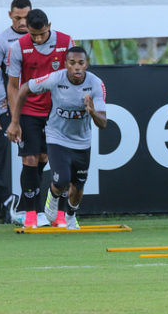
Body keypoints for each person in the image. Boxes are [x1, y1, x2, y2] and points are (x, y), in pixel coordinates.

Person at [8, 46, 106, 229]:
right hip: (57, 137)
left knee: (78, 186)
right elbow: (24, 89)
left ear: (87, 64)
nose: (77, 67)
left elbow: (103, 122)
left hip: (82, 141)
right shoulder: (55, 79)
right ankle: (51, 200)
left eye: (81, 63)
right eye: (72, 63)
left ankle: (70, 216)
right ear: (65, 64)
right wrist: (15, 121)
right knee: (61, 181)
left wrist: (92, 112)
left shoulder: (96, 84)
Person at [6, 9, 75, 228]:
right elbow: (13, 85)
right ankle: (30, 213)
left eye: (41, 34)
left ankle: (56, 214)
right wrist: (14, 120)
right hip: (29, 111)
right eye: (33, 35)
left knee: (48, 159)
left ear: (49, 26)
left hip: (57, 112)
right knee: (30, 160)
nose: (37, 39)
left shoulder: (66, 42)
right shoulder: (18, 47)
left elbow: (74, 76)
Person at [0, 0, 32, 224]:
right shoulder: (2, 42)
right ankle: (6, 199)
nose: (23, 22)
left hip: (3, 111)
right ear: (10, 16)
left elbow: (3, 81)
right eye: (18, 18)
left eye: (26, 17)